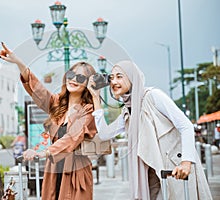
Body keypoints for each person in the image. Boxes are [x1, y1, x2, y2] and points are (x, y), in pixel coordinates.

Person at [87, 60, 212, 199]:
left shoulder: (153, 96)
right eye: (111, 77)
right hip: (152, 175)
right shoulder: (128, 111)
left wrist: (186, 163)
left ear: (132, 78)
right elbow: (104, 134)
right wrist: (95, 97)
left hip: (174, 169)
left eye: (119, 76)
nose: (114, 81)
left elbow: (185, 125)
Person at [0, 42, 97, 200]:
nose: (74, 80)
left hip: (75, 171)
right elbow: (37, 90)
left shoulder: (88, 110)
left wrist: (42, 153)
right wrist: (19, 62)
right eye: (72, 75)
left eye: (81, 77)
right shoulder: (58, 103)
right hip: (54, 168)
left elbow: (71, 138)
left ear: (88, 84)